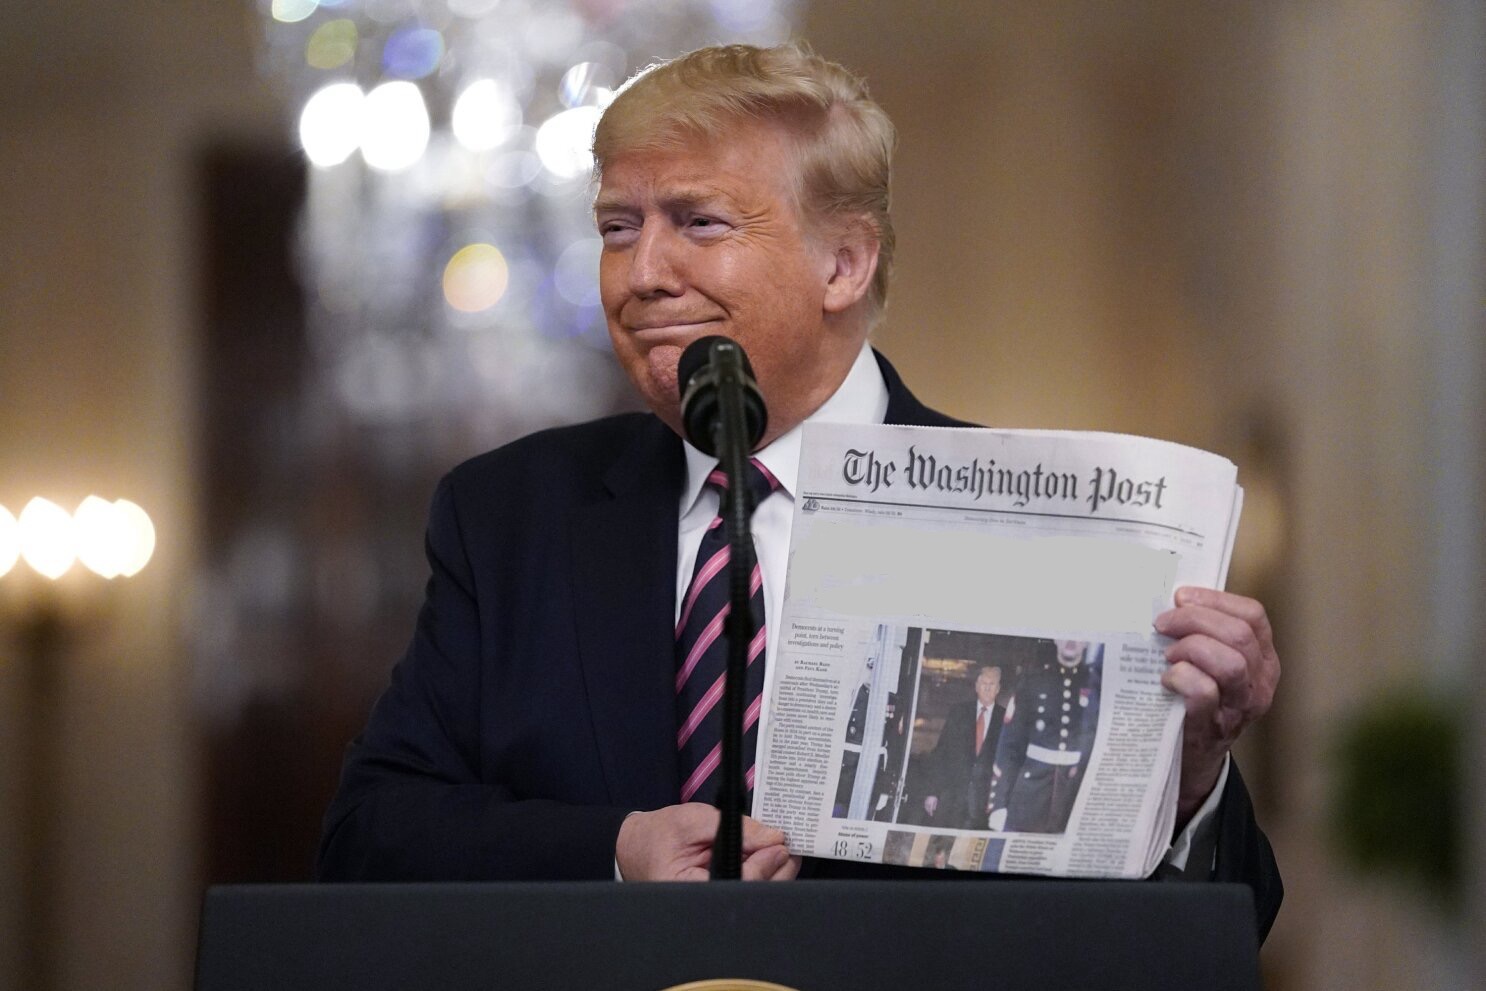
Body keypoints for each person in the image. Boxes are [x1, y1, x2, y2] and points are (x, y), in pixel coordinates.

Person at [316, 42, 1283, 940]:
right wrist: (611, 853)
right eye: (618, 227)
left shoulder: (1032, 520)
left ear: (844, 262)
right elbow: (370, 836)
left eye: (699, 222)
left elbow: (1218, 927)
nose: (642, 273)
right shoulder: (509, 516)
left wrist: (1187, 772)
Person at [988, 641, 1099, 834]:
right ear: (1055, 639)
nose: (1071, 640)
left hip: (1074, 794)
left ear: (1087, 641)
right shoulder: (1033, 681)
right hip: (1031, 792)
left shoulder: (1095, 684)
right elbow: (1010, 747)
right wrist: (999, 804)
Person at [918, 666, 1004, 830]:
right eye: (983, 683)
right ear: (976, 687)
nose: (987, 687)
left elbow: (1009, 764)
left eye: (992, 684)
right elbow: (941, 752)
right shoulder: (959, 713)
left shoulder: (1005, 720)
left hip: (985, 805)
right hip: (953, 798)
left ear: (998, 689)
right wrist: (932, 792)